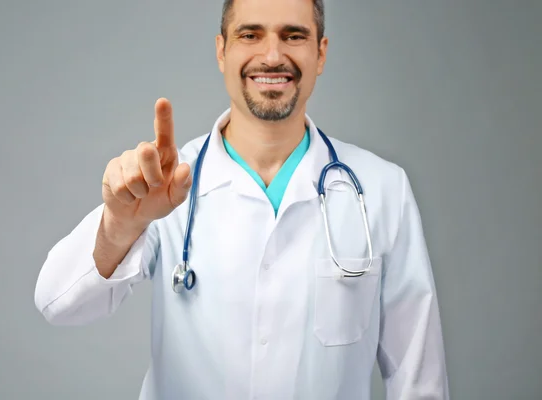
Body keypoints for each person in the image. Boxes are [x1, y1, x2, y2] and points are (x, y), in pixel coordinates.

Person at [34, 0, 449, 398]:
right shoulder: (166, 184)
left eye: (293, 36)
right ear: (222, 50)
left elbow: (419, 378)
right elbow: (57, 303)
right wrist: (121, 224)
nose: (272, 56)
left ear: (320, 53)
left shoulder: (381, 189)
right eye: (250, 34)